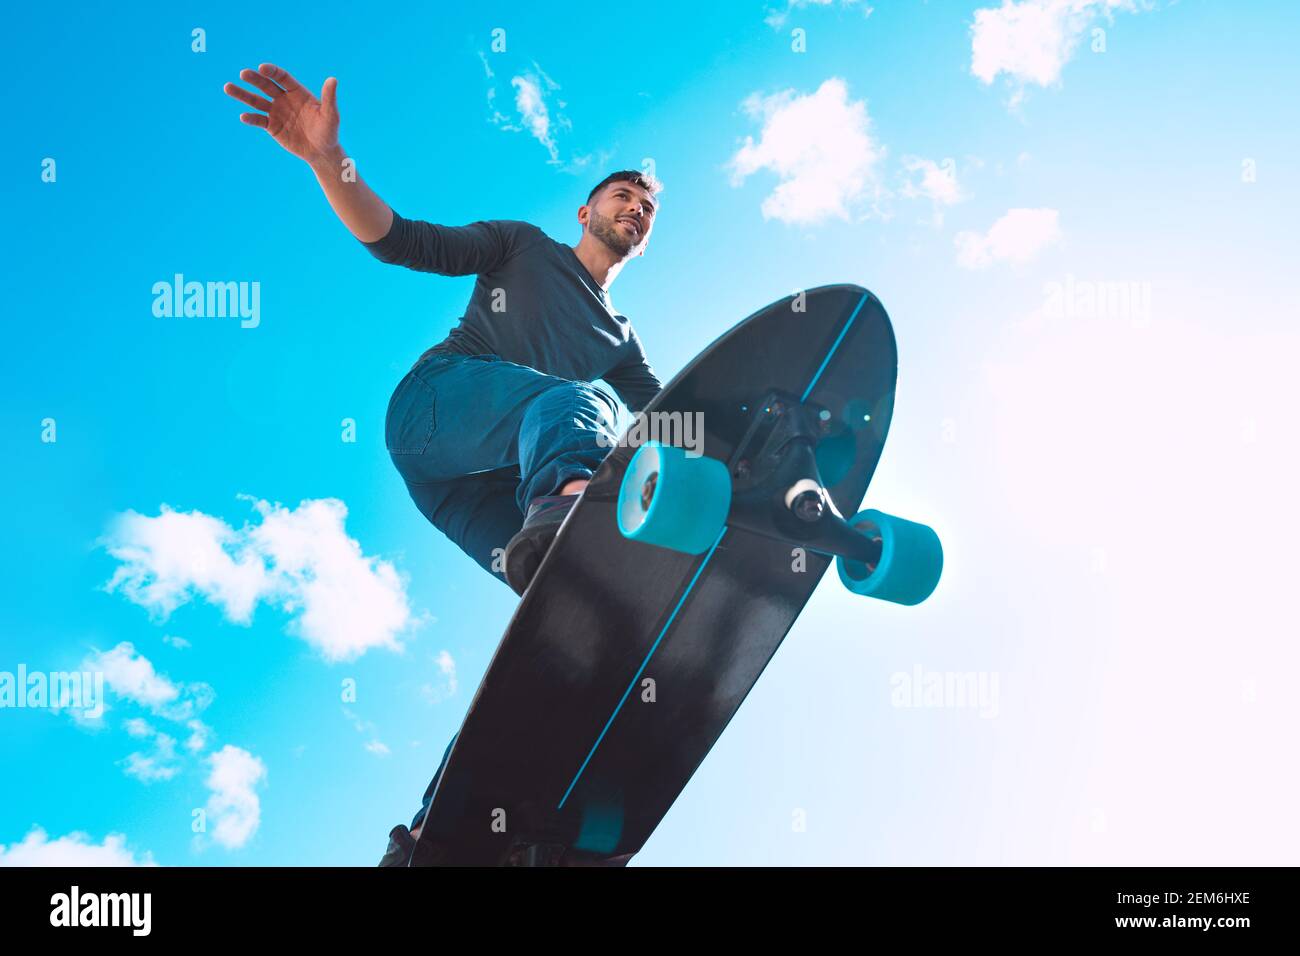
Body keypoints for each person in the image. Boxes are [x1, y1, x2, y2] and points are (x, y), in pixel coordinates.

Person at [224, 63, 663, 865]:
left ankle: (436, 830)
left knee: (559, 621)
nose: (635, 207)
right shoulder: (524, 247)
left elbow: (674, 418)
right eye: (623, 194)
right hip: (435, 412)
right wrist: (329, 162)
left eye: (647, 206)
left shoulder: (622, 342)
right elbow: (402, 241)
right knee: (579, 409)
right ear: (586, 209)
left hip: (483, 490)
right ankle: (569, 507)